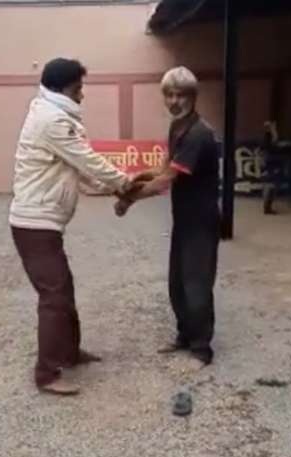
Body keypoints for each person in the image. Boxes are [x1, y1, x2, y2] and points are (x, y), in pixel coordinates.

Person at [9, 58, 142, 396]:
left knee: (63, 289)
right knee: (53, 296)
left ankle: (69, 353)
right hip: (34, 224)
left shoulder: (52, 114)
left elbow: (79, 172)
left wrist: (115, 188)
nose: (82, 95)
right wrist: (124, 183)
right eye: (78, 89)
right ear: (63, 89)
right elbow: (88, 160)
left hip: (43, 223)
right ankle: (46, 374)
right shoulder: (52, 120)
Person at [114, 66, 220, 366]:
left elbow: (166, 180)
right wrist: (135, 177)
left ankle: (202, 348)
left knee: (196, 283)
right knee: (178, 282)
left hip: (201, 220)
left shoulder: (199, 134)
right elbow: (163, 168)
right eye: (169, 95)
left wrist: (129, 199)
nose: (174, 101)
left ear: (193, 96)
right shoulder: (178, 127)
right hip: (184, 218)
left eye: (181, 95)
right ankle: (185, 335)